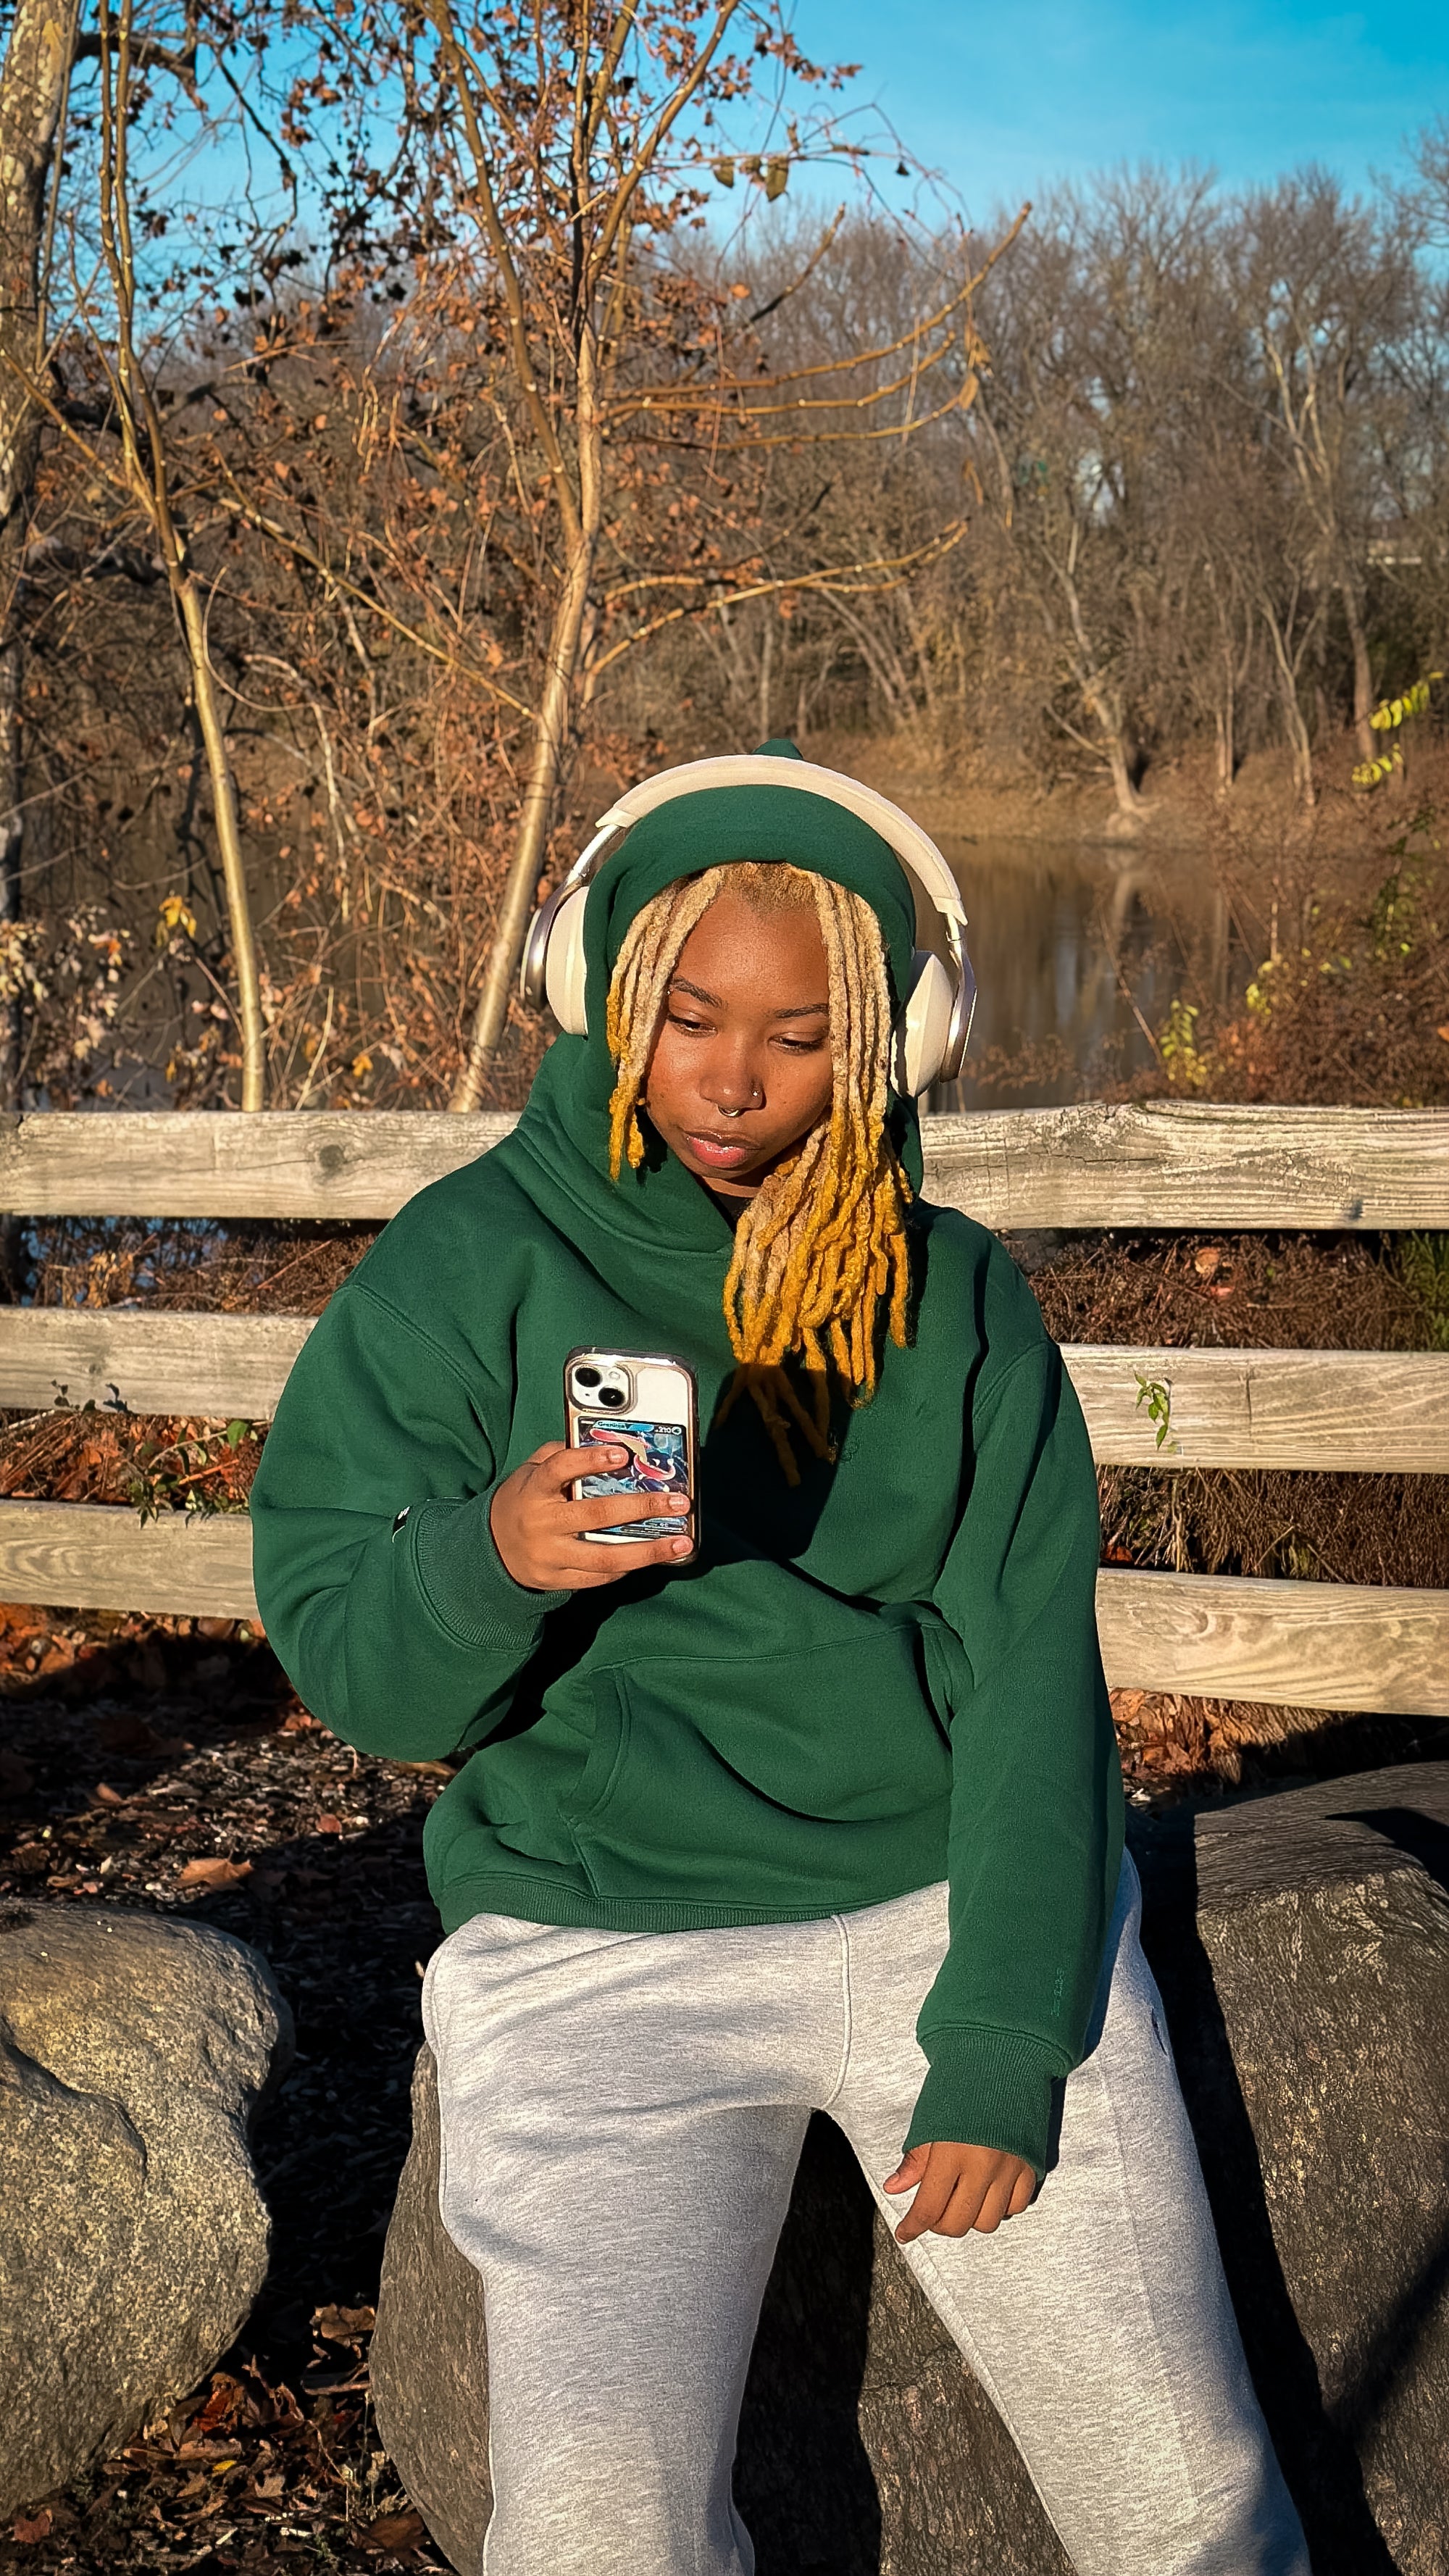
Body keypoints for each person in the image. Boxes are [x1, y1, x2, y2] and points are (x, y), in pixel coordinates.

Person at [250, 743, 1308, 2576]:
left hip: (931, 1906)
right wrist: (494, 1559)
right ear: (606, 995)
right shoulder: (467, 1260)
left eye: (800, 1036)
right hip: (591, 1940)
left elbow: (1030, 1681)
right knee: (593, 2536)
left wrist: (1004, 2037)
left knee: (1187, 2502)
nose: (734, 1079)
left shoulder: (953, 1295)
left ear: (889, 1043)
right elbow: (362, 1669)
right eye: (690, 1016)